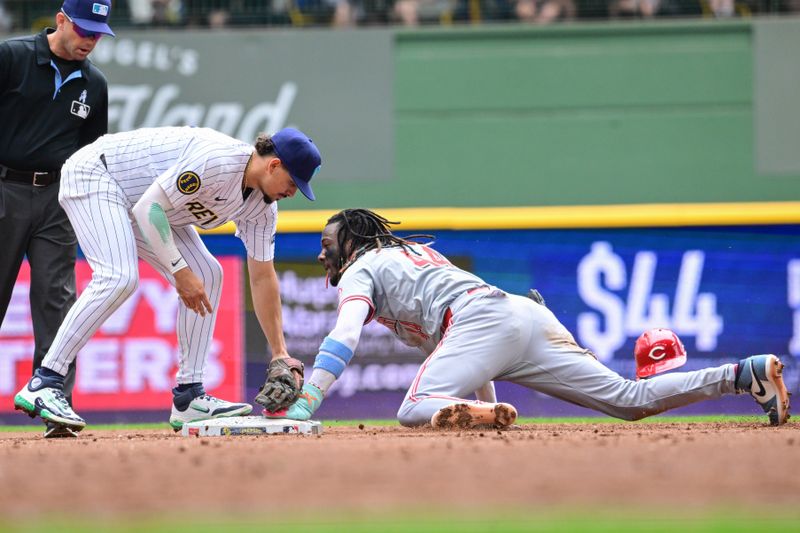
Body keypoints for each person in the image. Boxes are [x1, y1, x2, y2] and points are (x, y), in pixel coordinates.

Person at [261, 208, 791, 428]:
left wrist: (311, 398)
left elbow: (344, 333)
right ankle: (743, 373)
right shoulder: (416, 257)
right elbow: (468, 358)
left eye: (328, 244)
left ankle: (743, 376)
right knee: (628, 401)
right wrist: (484, 415)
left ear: (351, 241)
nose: (324, 256)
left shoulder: (362, 267)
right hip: (522, 314)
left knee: (413, 409)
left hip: (481, 319)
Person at [13, 126, 322, 434]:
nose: (294, 191)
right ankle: (46, 380)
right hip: (99, 175)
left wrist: (279, 351)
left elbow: (262, 277)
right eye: (294, 182)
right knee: (118, 277)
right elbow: (149, 209)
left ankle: (189, 396)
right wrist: (179, 270)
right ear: (273, 165)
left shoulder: (262, 208)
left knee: (207, 273)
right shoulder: (217, 161)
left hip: (145, 205)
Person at [0, 0, 114, 438]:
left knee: (58, 301)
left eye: (98, 34)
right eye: (84, 29)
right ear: (61, 21)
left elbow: (91, 154)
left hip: (58, 198)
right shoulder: (11, 57)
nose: (90, 40)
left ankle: (55, 402)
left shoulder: (95, 84)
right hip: (4, 188)